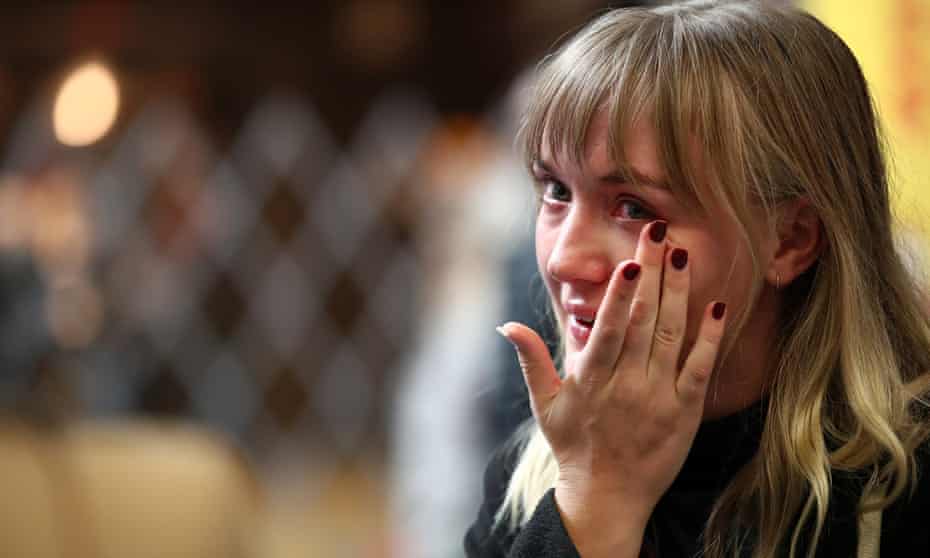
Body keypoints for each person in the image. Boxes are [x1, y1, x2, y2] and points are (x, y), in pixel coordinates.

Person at [464, 1, 930, 557]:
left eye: (633, 207)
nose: (564, 261)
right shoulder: (530, 482)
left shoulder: (903, 491)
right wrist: (597, 502)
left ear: (791, 240)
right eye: (556, 191)